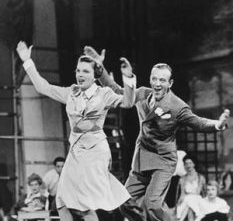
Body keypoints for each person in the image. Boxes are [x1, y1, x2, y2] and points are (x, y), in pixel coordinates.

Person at [83, 46, 230, 221]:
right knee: (124, 202)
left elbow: (197, 122)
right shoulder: (143, 94)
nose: (157, 83)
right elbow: (117, 90)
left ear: (170, 83)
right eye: (154, 79)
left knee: (152, 203)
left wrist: (217, 125)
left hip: (163, 161)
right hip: (141, 159)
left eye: (162, 80)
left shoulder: (177, 106)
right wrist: (100, 70)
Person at [16, 41, 136, 221]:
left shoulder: (104, 94)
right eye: (78, 70)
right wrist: (27, 61)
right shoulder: (71, 93)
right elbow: (43, 87)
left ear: (95, 75)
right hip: (76, 153)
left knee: (85, 205)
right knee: (62, 202)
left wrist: (128, 79)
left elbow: (128, 102)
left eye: (85, 71)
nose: (80, 74)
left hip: (95, 152)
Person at [176, 154, 206, 221]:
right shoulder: (182, 179)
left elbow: (203, 193)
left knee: (190, 203)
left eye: (190, 163)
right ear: (184, 165)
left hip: (197, 200)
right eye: (186, 164)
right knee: (187, 205)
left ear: (194, 164)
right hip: (185, 200)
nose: (188, 165)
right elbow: (181, 193)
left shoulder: (200, 178)